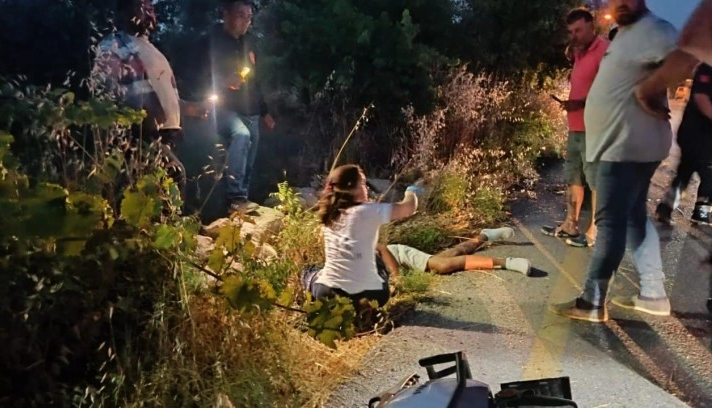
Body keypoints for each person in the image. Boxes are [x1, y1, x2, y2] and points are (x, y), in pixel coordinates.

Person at [551, 0, 676, 322]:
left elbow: (684, 57)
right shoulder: (626, 33)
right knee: (633, 218)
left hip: (622, 145)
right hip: (621, 143)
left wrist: (648, 91)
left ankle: (592, 302)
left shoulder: (654, 29)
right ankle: (653, 294)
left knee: (609, 222)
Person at [92, 0, 205, 194]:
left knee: (161, 191)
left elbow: (166, 96)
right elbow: (107, 92)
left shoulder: (153, 50)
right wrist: (141, 114)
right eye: (141, 5)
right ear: (124, 11)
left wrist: (190, 108)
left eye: (150, 7)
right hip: (138, 134)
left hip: (166, 135)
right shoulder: (112, 46)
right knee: (173, 177)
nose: (148, 11)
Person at [300, 165, 418, 310]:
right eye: (362, 183)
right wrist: (411, 191)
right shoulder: (368, 211)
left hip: (329, 294)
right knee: (376, 259)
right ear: (351, 188)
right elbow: (409, 207)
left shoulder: (329, 214)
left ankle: (321, 304)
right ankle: (369, 301)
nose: (366, 188)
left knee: (308, 271)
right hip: (373, 294)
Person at [542, 8, 608, 249]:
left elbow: (610, 92)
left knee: (596, 181)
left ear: (592, 25)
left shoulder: (605, 51)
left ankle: (595, 232)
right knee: (573, 177)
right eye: (571, 32)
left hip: (596, 128)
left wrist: (580, 103)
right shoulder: (580, 52)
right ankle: (571, 224)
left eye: (578, 30)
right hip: (576, 126)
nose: (574, 36)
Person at [204, 0, 275, 213]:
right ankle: (234, 197)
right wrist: (223, 81)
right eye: (240, 15)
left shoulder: (249, 43)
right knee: (241, 136)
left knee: (248, 158)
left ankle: (240, 200)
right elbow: (199, 76)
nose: (245, 21)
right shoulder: (212, 42)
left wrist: (265, 111)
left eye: (249, 17)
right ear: (226, 14)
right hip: (226, 108)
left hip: (251, 109)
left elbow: (255, 80)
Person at [655, 63, 712, 226]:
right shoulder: (707, 67)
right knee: (708, 172)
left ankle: (666, 207)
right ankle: (701, 211)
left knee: (686, 171)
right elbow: (701, 98)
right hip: (697, 132)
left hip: (701, 134)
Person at [378, 227, 531, 276]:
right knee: (452, 254)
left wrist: (396, 278)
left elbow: (381, 248)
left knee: (444, 265)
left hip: (397, 256)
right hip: (391, 270)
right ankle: (485, 235)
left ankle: (507, 262)